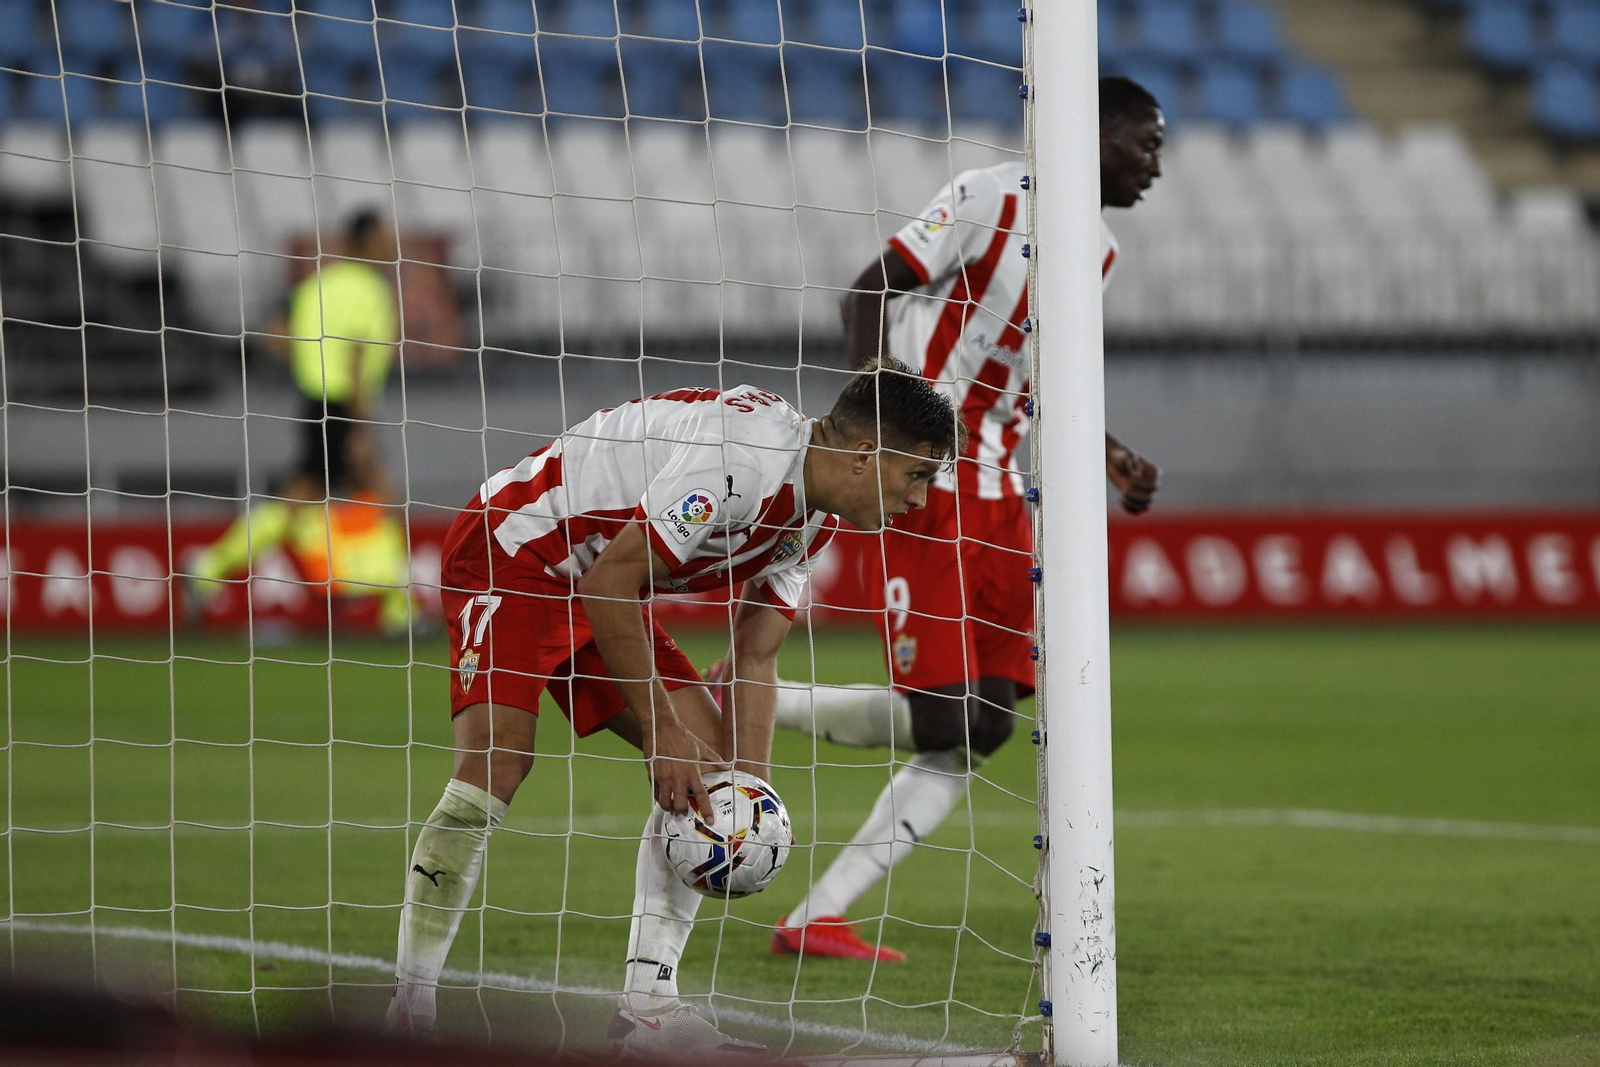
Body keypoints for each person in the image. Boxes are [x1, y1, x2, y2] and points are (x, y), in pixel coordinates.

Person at [385, 361, 962, 1054]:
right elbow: (611, 582)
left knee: (710, 780)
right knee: (498, 763)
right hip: (516, 550)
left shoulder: (815, 522)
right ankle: (408, 1016)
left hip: (602, 582)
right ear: (866, 454)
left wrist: (748, 791)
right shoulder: (741, 460)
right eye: (917, 475)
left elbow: (755, 655)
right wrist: (662, 732)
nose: (921, 498)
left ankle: (647, 1011)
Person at [748, 76, 1167, 962]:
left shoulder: (1096, 251)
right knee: (945, 717)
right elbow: (868, 291)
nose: (1155, 165)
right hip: (929, 484)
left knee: (989, 722)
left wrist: (1109, 451)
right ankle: (747, 697)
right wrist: (883, 428)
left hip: (1007, 499)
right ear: (1094, 135)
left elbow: (1042, 378)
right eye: (1146, 143)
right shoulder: (990, 197)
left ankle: (817, 915)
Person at [187, 209, 407, 631]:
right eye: (384, 237)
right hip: (344, 406)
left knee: (306, 498)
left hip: (314, 401)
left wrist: (312, 364)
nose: (391, 245)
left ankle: (209, 569)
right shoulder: (369, 289)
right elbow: (357, 356)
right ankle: (399, 611)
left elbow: (276, 333)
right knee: (376, 493)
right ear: (365, 242)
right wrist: (361, 427)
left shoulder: (317, 284)